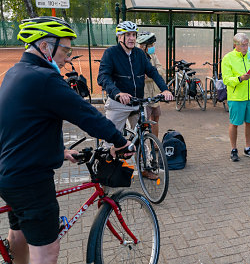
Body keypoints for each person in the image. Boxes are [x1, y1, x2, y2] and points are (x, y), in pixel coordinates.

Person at [0, 17, 132, 264]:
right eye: (65, 49)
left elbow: (21, 124)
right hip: (31, 180)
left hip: (9, 174)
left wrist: (57, 150)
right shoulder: (45, 79)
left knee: (19, 232)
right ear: (45, 47)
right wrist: (119, 141)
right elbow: (85, 114)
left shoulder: (16, 72)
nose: (68, 56)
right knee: (47, 251)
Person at [97, 21, 174, 179]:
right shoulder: (111, 53)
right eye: (128, 35)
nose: (132, 38)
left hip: (137, 102)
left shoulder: (139, 54)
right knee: (110, 139)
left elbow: (152, 72)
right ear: (120, 37)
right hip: (118, 103)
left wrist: (165, 89)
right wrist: (117, 93)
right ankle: (106, 173)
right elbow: (103, 77)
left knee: (143, 136)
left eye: (134, 35)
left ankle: (145, 168)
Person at [222, 33, 250, 162]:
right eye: (243, 45)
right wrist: (240, 79)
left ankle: (248, 148)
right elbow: (226, 80)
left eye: (247, 44)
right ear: (235, 45)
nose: (246, 47)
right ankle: (233, 149)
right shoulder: (228, 58)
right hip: (236, 97)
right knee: (234, 123)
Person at [136, 31, 166, 139]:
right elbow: (140, 76)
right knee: (143, 123)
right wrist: (152, 75)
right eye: (151, 45)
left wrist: (150, 75)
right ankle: (143, 150)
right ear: (143, 46)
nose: (153, 47)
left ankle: (155, 143)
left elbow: (161, 70)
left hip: (155, 95)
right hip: (144, 96)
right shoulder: (136, 57)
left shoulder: (153, 55)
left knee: (155, 119)